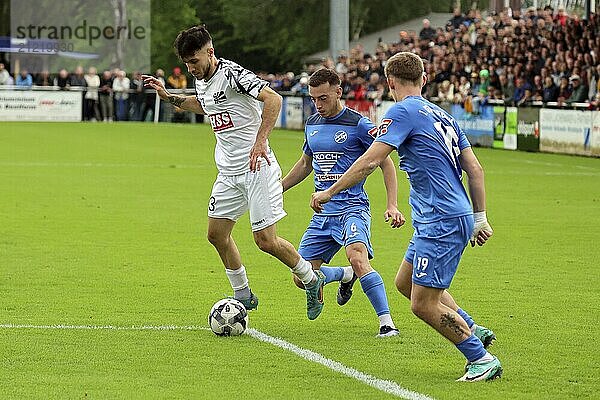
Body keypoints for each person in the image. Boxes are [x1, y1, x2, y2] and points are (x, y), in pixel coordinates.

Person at [311, 52, 502, 382]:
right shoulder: (444, 116)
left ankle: (481, 358)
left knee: (422, 304)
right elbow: (475, 169)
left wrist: (329, 192)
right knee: (404, 283)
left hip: (441, 218)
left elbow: (371, 161)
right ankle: (471, 327)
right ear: (423, 79)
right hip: (442, 217)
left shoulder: (400, 111)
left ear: (389, 82)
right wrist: (480, 217)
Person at [142, 25, 325, 320]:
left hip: (256, 167)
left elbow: (273, 99)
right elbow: (204, 105)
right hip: (228, 172)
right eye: (187, 63)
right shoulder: (202, 79)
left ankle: (311, 279)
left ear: (210, 52)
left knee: (265, 241)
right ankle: (243, 295)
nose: (191, 69)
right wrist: (169, 97)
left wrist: (260, 140)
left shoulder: (233, 74)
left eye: (195, 62)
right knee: (216, 235)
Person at [282, 68, 405, 337]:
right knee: (300, 277)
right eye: (314, 99)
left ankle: (387, 324)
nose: (318, 104)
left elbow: (385, 161)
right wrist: (278, 188)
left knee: (359, 258)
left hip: (352, 207)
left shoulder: (358, 124)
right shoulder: (313, 123)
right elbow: (306, 164)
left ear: (338, 92)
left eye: (323, 98)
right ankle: (344, 275)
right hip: (323, 212)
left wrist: (392, 204)